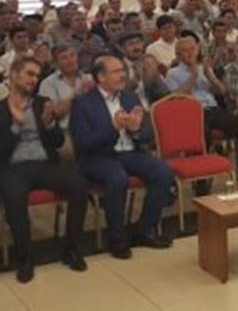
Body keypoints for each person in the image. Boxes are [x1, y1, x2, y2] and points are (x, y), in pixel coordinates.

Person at [0, 57, 88, 282]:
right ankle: (24, 257)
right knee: (14, 195)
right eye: (29, 74)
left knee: (79, 185)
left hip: (43, 163)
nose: (34, 79)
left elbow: (59, 142)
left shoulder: (43, 103)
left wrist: (50, 124)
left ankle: (72, 248)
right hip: (11, 168)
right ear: (14, 75)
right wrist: (15, 126)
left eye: (37, 75)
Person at [70, 55, 175, 259]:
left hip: (129, 152)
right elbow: (83, 144)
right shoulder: (82, 103)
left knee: (163, 172)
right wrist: (113, 128)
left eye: (123, 71)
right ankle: (117, 239)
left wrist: (135, 130)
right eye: (117, 71)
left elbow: (147, 133)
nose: (123, 75)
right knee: (118, 178)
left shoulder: (129, 97)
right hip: (97, 157)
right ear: (101, 77)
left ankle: (145, 229)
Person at [165, 36, 238, 147]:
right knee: (203, 133)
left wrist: (208, 74)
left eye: (192, 49)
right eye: (185, 50)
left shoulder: (204, 68)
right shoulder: (172, 73)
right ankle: (207, 155)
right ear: (178, 55)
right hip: (191, 112)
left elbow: (222, 91)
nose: (190, 53)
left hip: (212, 109)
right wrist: (193, 75)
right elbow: (177, 97)